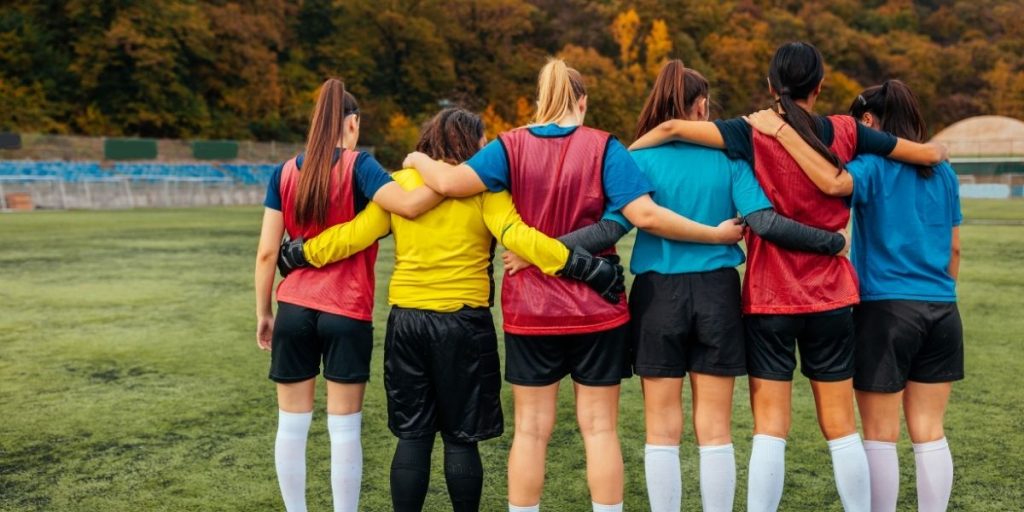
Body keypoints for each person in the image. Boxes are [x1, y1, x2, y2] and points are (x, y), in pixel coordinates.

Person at [401, 59, 744, 512]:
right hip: (597, 312)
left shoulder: (509, 146)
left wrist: (416, 157)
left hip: (530, 312)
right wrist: (716, 234)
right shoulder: (606, 147)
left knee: (530, 431)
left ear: (541, 101)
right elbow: (636, 217)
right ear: (582, 102)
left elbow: (445, 181)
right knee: (599, 429)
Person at [630, 42, 948, 512]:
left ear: (769, 86)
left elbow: (676, 127)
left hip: (769, 296)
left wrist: (619, 157)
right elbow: (918, 152)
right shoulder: (844, 129)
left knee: (769, 428)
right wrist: (935, 151)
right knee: (842, 427)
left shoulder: (749, 132)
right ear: (819, 87)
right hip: (833, 295)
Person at [276, 107, 625, 512]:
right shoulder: (484, 189)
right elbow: (519, 237)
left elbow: (353, 236)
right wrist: (586, 267)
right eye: (481, 141)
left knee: (413, 436)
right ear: (469, 142)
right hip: (463, 323)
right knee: (461, 437)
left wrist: (301, 253)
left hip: (407, 321)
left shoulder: (401, 184)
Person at [596, 60, 851, 512]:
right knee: (714, 428)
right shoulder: (730, 158)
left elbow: (613, 227)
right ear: (702, 106)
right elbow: (761, 221)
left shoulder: (635, 159)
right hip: (717, 294)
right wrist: (832, 242)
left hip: (658, 298)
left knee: (661, 428)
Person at [746, 80, 963, 512]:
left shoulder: (871, 165)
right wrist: (943, 290)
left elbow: (831, 183)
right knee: (930, 431)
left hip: (886, 308)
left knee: (880, 434)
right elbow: (955, 248)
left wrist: (783, 132)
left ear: (868, 121)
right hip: (943, 308)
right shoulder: (945, 172)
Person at [254, 78, 444, 512]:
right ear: (353, 123)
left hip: (294, 309)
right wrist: (455, 179)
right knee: (344, 431)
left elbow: (267, 254)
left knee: (291, 426)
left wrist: (265, 312)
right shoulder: (361, 166)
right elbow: (411, 205)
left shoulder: (282, 172)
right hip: (347, 311)